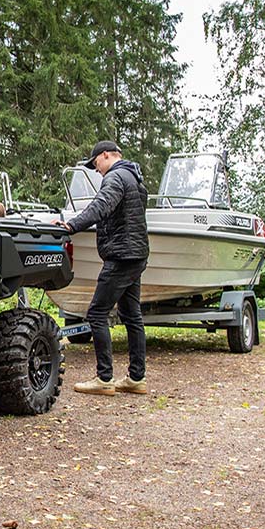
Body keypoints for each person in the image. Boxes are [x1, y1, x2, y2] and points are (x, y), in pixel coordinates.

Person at [53, 141, 150, 396]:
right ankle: (136, 378)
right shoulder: (136, 179)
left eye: (96, 164)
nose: (97, 170)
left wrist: (71, 225)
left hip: (120, 257)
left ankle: (104, 379)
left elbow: (100, 207)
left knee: (96, 313)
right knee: (132, 316)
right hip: (137, 255)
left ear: (106, 155)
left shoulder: (116, 177)